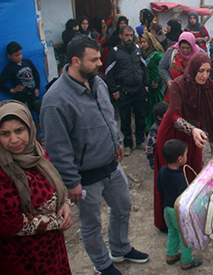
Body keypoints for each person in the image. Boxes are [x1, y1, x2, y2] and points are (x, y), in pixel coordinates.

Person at [41, 36, 149, 275]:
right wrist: (72, 182)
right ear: (75, 61)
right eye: (94, 59)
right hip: (85, 176)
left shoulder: (98, 82)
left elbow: (109, 116)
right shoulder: (55, 101)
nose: (100, 63)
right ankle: (102, 265)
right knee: (91, 224)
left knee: (123, 207)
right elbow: (57, 147)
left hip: (111, 165)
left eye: (100, 57)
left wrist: (117, 141)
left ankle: (120, 248)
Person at [154, 53, 213, 231]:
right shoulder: (178, 85)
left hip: (193, 137)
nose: (204, 75)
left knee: (194, 175)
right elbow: (174, 116)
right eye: (201, 71)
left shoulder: (211, 86)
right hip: (172, 135)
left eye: (208, 71)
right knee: (171, 179)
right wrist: (192, 129)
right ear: (192, 69)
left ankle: (191, 218)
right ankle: (169, 223)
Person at [0, 100, 73, 275]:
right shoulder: (3, 170)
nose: (14, 140)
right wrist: (56, 222)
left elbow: (55, 185)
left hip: (52, 247)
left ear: (30, 128)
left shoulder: (37, 153)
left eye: (19, 130)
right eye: (4, 133)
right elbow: (9, 224)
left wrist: (64, 204)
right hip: (23, 255)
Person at [157, 139, 203, 270]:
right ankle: (187, 261)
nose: (187, 157)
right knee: (185, 236)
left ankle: (171, 255)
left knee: (172, 232)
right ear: (180, 159)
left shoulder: (162, 171)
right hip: (177, 212)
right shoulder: (180, 178)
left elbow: (159, 189)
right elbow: (184, 200)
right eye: (186, 154)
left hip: (166, 210)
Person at [105, 26, 148, 156]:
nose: (129, 38)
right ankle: (128, 144)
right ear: (120, 36)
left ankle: (140, 141)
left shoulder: (137, 50)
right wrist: (114, 91)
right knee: (125, 119)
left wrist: (145, 85)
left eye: (131, 35)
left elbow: (143, 67)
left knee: (141, 117)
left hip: (139, 90)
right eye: (126, 35)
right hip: (124, 91)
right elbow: (109, 73)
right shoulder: (115, 52)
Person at [0, 42, 41, 117]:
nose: (19, 57)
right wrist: (12, 90)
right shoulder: (9, 68)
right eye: (16, 55)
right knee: (27, 116)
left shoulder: (27, 62)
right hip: (22, 96)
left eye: (20, 54)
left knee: (42, 112)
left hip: (33, 94)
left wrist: (37, 88)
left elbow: (36, 74)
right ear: (9, 56)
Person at [158, 32, 201, 102]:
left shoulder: (200, 55)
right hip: (173, 93)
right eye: (182, 48)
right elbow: (162, 68)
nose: (185, 50)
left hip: (193, 94)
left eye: (188, 48)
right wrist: (168, 80)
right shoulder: (172, 52)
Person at [140, 32, 165, 131]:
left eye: (144, 42)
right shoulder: (145, 54)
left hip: (157, 87)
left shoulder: (157, 55)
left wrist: (156, 80)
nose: (142, 45)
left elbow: (162, 68)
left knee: (158, 106)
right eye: (141, 42)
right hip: (149, 86)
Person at [145, 102, 168, 170]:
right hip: (160, 158)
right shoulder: (154, 130)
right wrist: (152, 162)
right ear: (159, 117)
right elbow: (149, 147)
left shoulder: (169, 126)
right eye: (167, 114)